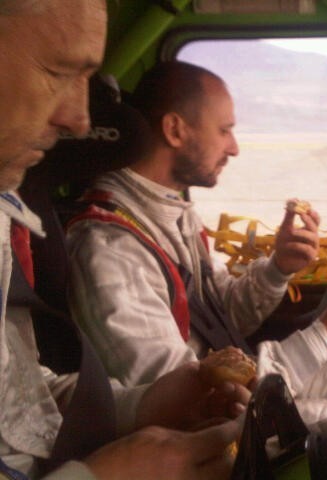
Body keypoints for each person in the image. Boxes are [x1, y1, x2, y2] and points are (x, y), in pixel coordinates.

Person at [66, 61, 327, 448]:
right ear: (175, 130)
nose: (235, 147)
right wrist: (324, 339)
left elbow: (224, 316)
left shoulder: (171, 215)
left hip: (238, 393)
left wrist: (278, 269)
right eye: (224, 130)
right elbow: (190, 405)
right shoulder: (110, 251)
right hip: (211, 431)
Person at [0, 2, 251, 479]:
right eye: (58, 72)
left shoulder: (4, 212)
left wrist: (143, 407)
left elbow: (19, 407)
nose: (80, 120)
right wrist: (103, 475)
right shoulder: (107, 240)